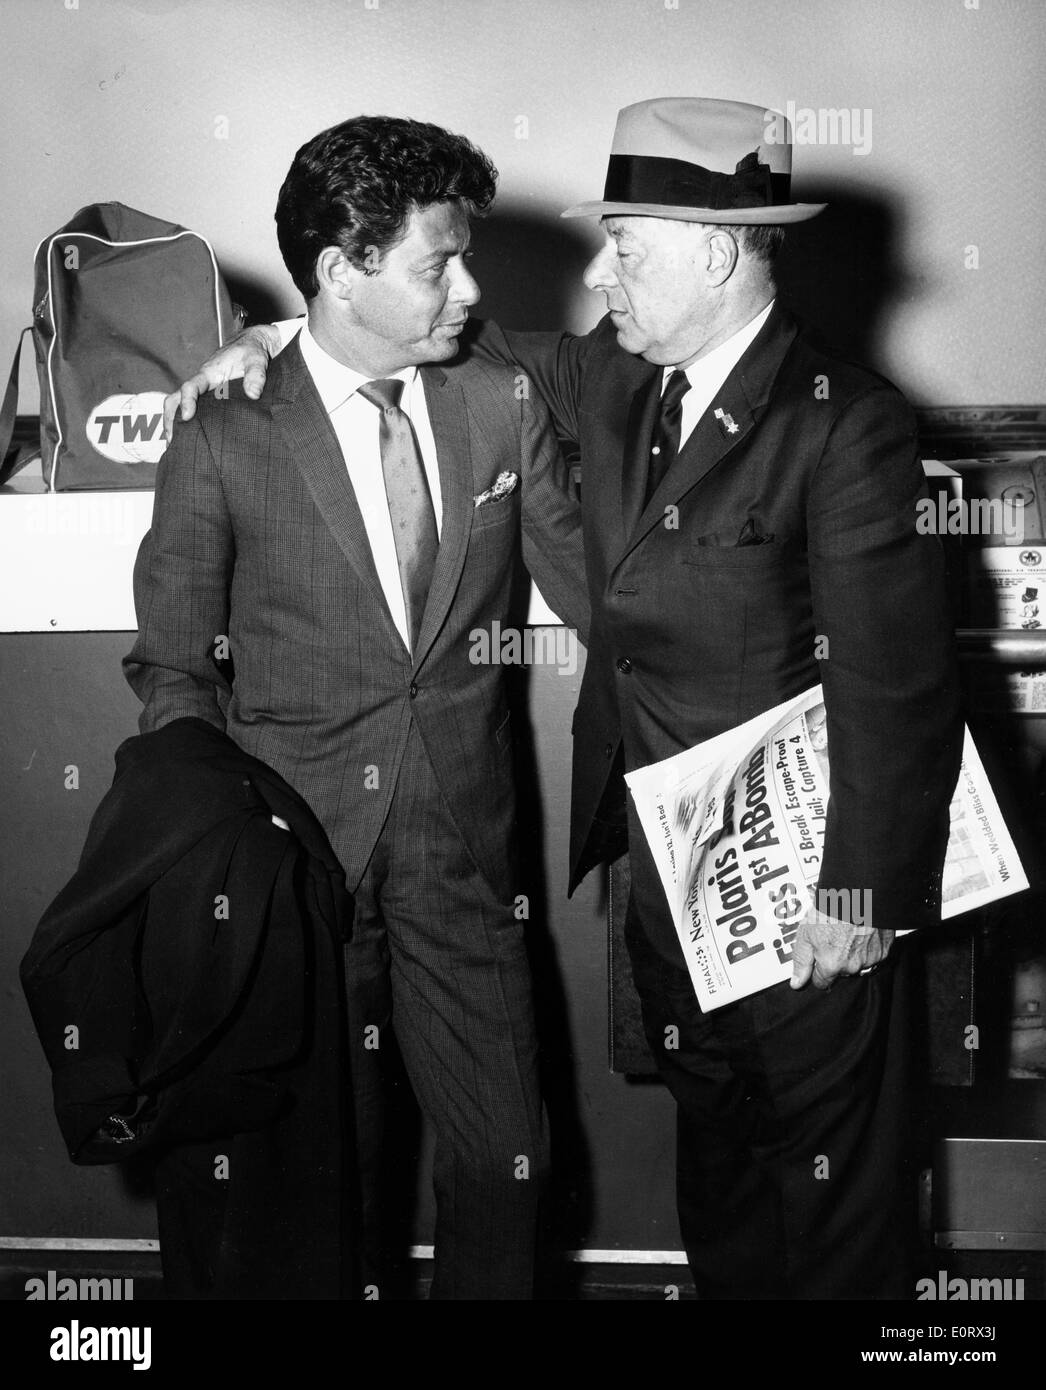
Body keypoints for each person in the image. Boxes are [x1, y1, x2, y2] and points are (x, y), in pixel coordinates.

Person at [172, 98, 963, 1299]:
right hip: (670, 892)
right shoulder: (611, 376)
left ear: (711, 252)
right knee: (727, 1201)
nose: (594, 274)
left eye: (624, 250)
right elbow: (409, 336)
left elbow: (893, 689)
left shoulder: (843, 423)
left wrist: (856, 892)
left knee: (833, 1224)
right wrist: (276, 338)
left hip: (808, 898)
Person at [126, 114, 588, 1300]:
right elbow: (175, 667)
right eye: (439, 262)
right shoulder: (224, 430)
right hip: (293, 869)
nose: (469, 287)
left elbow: (597, 593)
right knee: (320, 1194)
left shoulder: (501, 392)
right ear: (343, 270)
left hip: (462, 859)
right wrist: (210, 852)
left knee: (509, 1161)